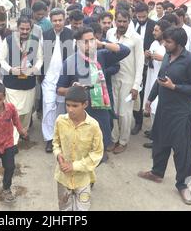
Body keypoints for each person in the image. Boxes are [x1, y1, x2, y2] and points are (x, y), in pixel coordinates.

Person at [139, 27, 191, 205]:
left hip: (181, 112)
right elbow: (161, 79)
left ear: (179, 44)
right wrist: (150, 99)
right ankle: (157, 172)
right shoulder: (167, 55)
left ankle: (184, 185)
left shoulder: (190, 61)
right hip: (163, 109)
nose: (165, 44)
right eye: (165, 41)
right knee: (159, 141)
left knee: (183, 150)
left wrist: (175, 87)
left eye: (168, 42)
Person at [57, 27, 130, 163]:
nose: (89, 44)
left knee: (99, 146)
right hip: (81, 113)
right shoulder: (71, 62)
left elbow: (125, 50)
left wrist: (102, 43)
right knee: (81, 150)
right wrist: (72, 89)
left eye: (92, 40)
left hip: (100, 110)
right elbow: (59, 89)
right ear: (77, 43)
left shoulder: (101, 55)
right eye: (86, 41)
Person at [53, 86, 103, 211]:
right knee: (64, 208)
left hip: (83, 179)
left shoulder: (93, 126)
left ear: (85, 104)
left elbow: (97, 153)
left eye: (75, 106)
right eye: (68, 105)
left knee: (82, 209)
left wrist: (74, 166)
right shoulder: (60, 121)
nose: (70, 110)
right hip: (63, 178)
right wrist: (58, 154)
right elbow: (56, 142)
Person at [106, 10, 144, 154]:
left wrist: (136, 86)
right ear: (115, 21)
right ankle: (114, 139)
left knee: (125, 113)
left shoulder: (136, 38)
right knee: (113, 111)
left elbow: (140, 63)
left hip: (128, 81)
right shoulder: (110, 34)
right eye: (119, 21)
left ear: (129, 21)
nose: (121, 24)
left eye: (124, 21)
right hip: (112, 78)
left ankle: (123, 141)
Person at [0, 17, 43, 132]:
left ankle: (23, 134)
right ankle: (12, 140)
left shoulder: (36, 40)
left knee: (27, 113)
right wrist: (10, 69)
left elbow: (40, 59)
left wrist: (34, 69)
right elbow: (0, 59)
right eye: (22, 29)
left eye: (27, 29)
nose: (24, 31)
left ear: (31, 29)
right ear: (17, 28)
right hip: (11, 85)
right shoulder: (8, 40)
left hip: (29, 84)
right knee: (13, 113)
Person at [42, 9, 74, 153]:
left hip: (64, 79)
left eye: (60, 20)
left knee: (61, 110)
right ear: (51, 20)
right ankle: (49, 139)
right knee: (49, 107)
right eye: (54, 20)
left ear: (64, 19)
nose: (57, 23)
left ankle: (59, 138)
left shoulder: (71, 35)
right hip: (48, 78)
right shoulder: (46, 35)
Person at [142, 19, 171, 149]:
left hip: (162, 81)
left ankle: (160, 140)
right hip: (151, 78)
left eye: (156, 30)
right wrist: (147, 56)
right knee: (152, 107)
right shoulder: (154, 43)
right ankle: (155, 133)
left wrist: (162, 58)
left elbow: (173, 62)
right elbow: (148, 62)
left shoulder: (169, 45)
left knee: (158, 109)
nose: (153, 32)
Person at [132, 2, 156, 135]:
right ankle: (137, 121)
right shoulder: (131, 24)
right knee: (136, 93)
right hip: (132, 63)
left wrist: (149, 53)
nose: (141, 19)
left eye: (143, 17)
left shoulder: (153, 26)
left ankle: (147, 118)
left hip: (147, 66)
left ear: (147, 13)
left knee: (144, 93)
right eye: (139, 17)